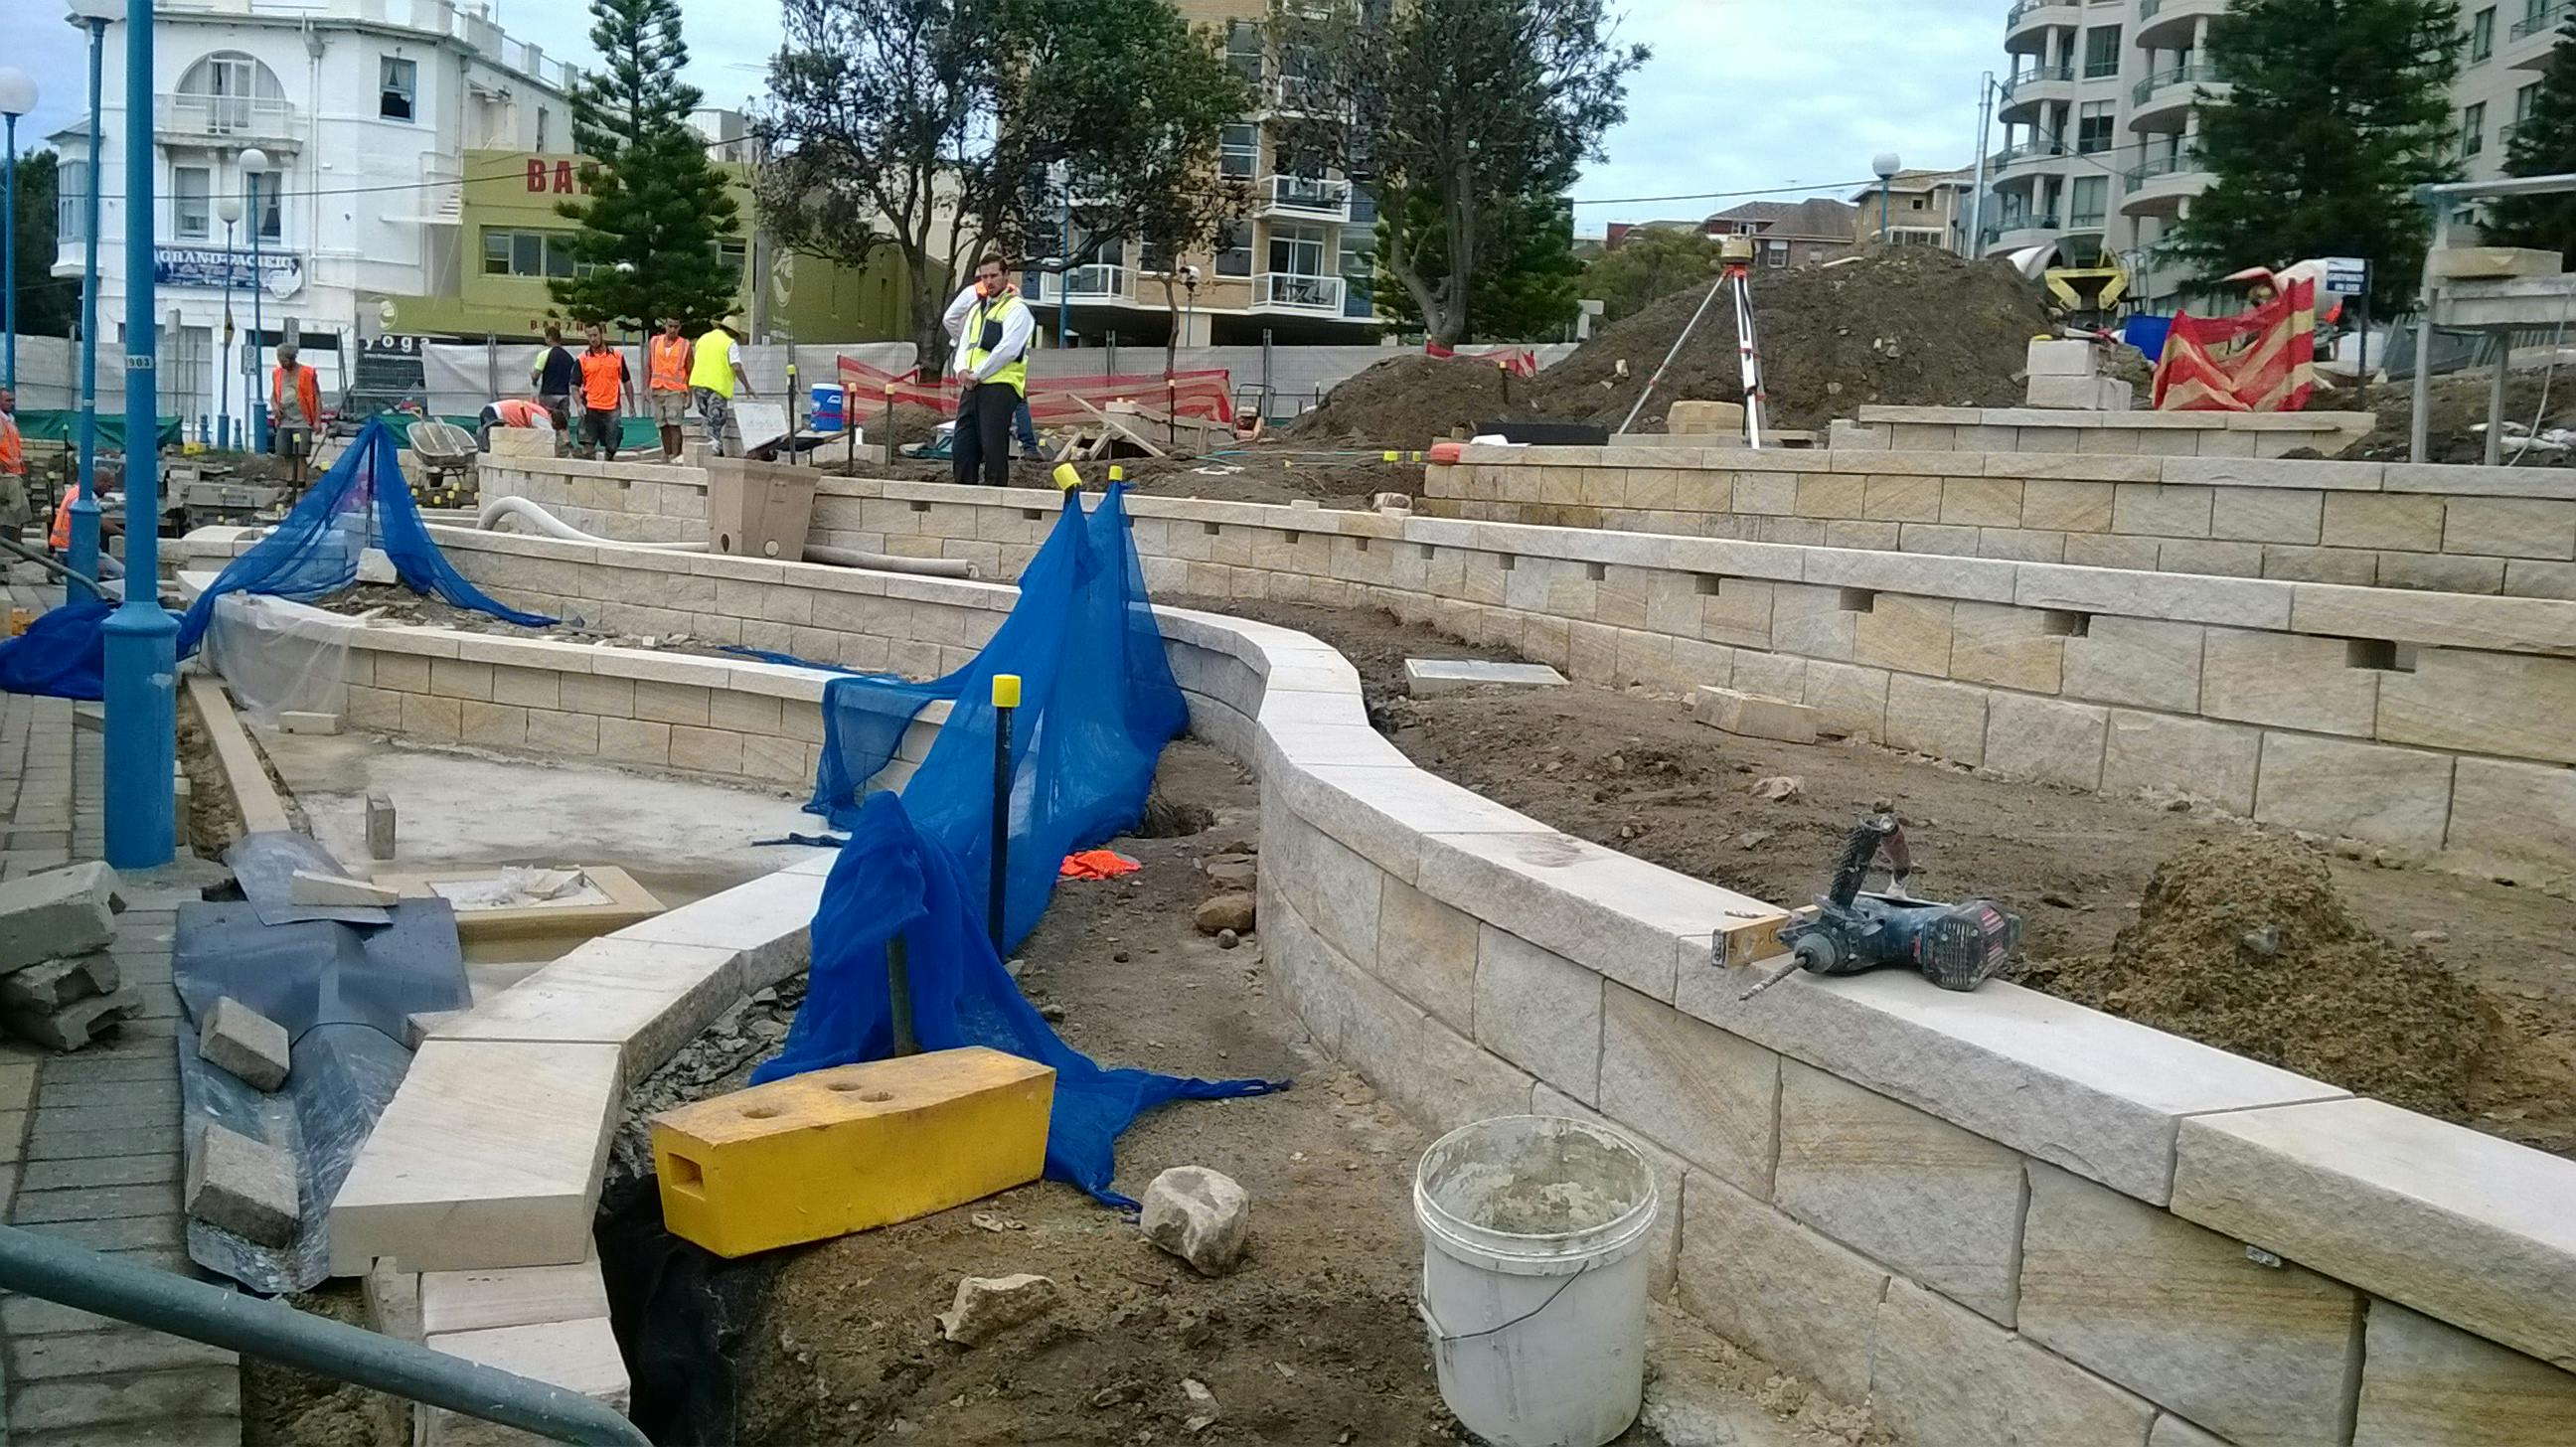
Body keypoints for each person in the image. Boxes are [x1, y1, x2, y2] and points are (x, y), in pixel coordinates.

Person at [942, 253, 1035, 486]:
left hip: (1000, 386)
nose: (989, 281)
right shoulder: (977, 310)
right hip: (972, 386)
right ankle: (964, 496)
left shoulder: (1017, 309)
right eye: (984, 277)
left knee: (993, 447)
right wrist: (961, 369)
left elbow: (1007, 350)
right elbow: (964, 343)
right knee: (963, 447)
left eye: (994, 275)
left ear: (1006, 276)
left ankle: (996, 496)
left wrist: (977, 374)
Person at [690, 315, 755, 457]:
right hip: (717, 386)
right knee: (716, 421)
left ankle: (714, 450)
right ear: (732, 332)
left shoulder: (703, 339)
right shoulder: (729, 343)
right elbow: (736, 367)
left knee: (708, 420)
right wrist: (747, 386)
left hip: (698, 384)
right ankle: (713, 454)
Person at [574, 323, 634, 462]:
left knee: (612, 446)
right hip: (590, 407)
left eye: (595, 335)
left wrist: (631, 405)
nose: (593, 339)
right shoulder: (583, 358)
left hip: (611, 408)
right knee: (587, 445)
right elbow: (574, 385)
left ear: (602, 334)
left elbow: (626, 381)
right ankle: (589, 471)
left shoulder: (616, 356)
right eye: (590, 336)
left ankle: (608, 461)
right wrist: (578, 404)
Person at [270, 343, 323, 486]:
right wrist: (275, 406)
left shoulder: (307, 373)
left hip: (302, 422)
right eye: (279, 360)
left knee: (300, 455)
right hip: (284, 422)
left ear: (292, 358)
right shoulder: (277, 374)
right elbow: (274, 395)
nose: (281, 364)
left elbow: (317, 397)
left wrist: (317, 421)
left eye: (284, 361)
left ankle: (299, 488)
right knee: (287, 455)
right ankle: (289, 487)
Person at [647, 317, 695, 460]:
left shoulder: (685, 345)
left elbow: (690, 369)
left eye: (676, 326)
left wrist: (689, 393)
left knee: (674, 424)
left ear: (680, 327)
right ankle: (667, 453)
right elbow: (649, 365)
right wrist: (646, 387)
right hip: (657, 388)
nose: (672, 330)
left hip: (676, 390)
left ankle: (676, 455)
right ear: (665, 326)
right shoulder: (655, 342)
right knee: (661, 424)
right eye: (670, 326)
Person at [531, 323, 578, 446]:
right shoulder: (569, 357)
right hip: (564, 394)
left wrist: (533, 380)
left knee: (547, 421)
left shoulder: (545, 354)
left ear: (550, 338)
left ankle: (548, 446)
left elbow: (536, 374)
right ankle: (563, 446)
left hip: (549, 394)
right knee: (562, 423)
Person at [477, 397, 556, 451]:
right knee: (497, 443)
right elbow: (548, 434)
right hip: (495, 413)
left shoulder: (537, 410)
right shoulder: (542, 416)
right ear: (554, 422)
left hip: (491, 409)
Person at [0, 388, 27, 544]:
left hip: (13, 471)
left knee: (21, 510)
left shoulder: (9, 420)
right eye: (7, 400)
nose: (11, 403)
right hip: (5, 473)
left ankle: (14, 544)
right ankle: (11, 545)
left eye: (12, 400)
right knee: (16, 509)